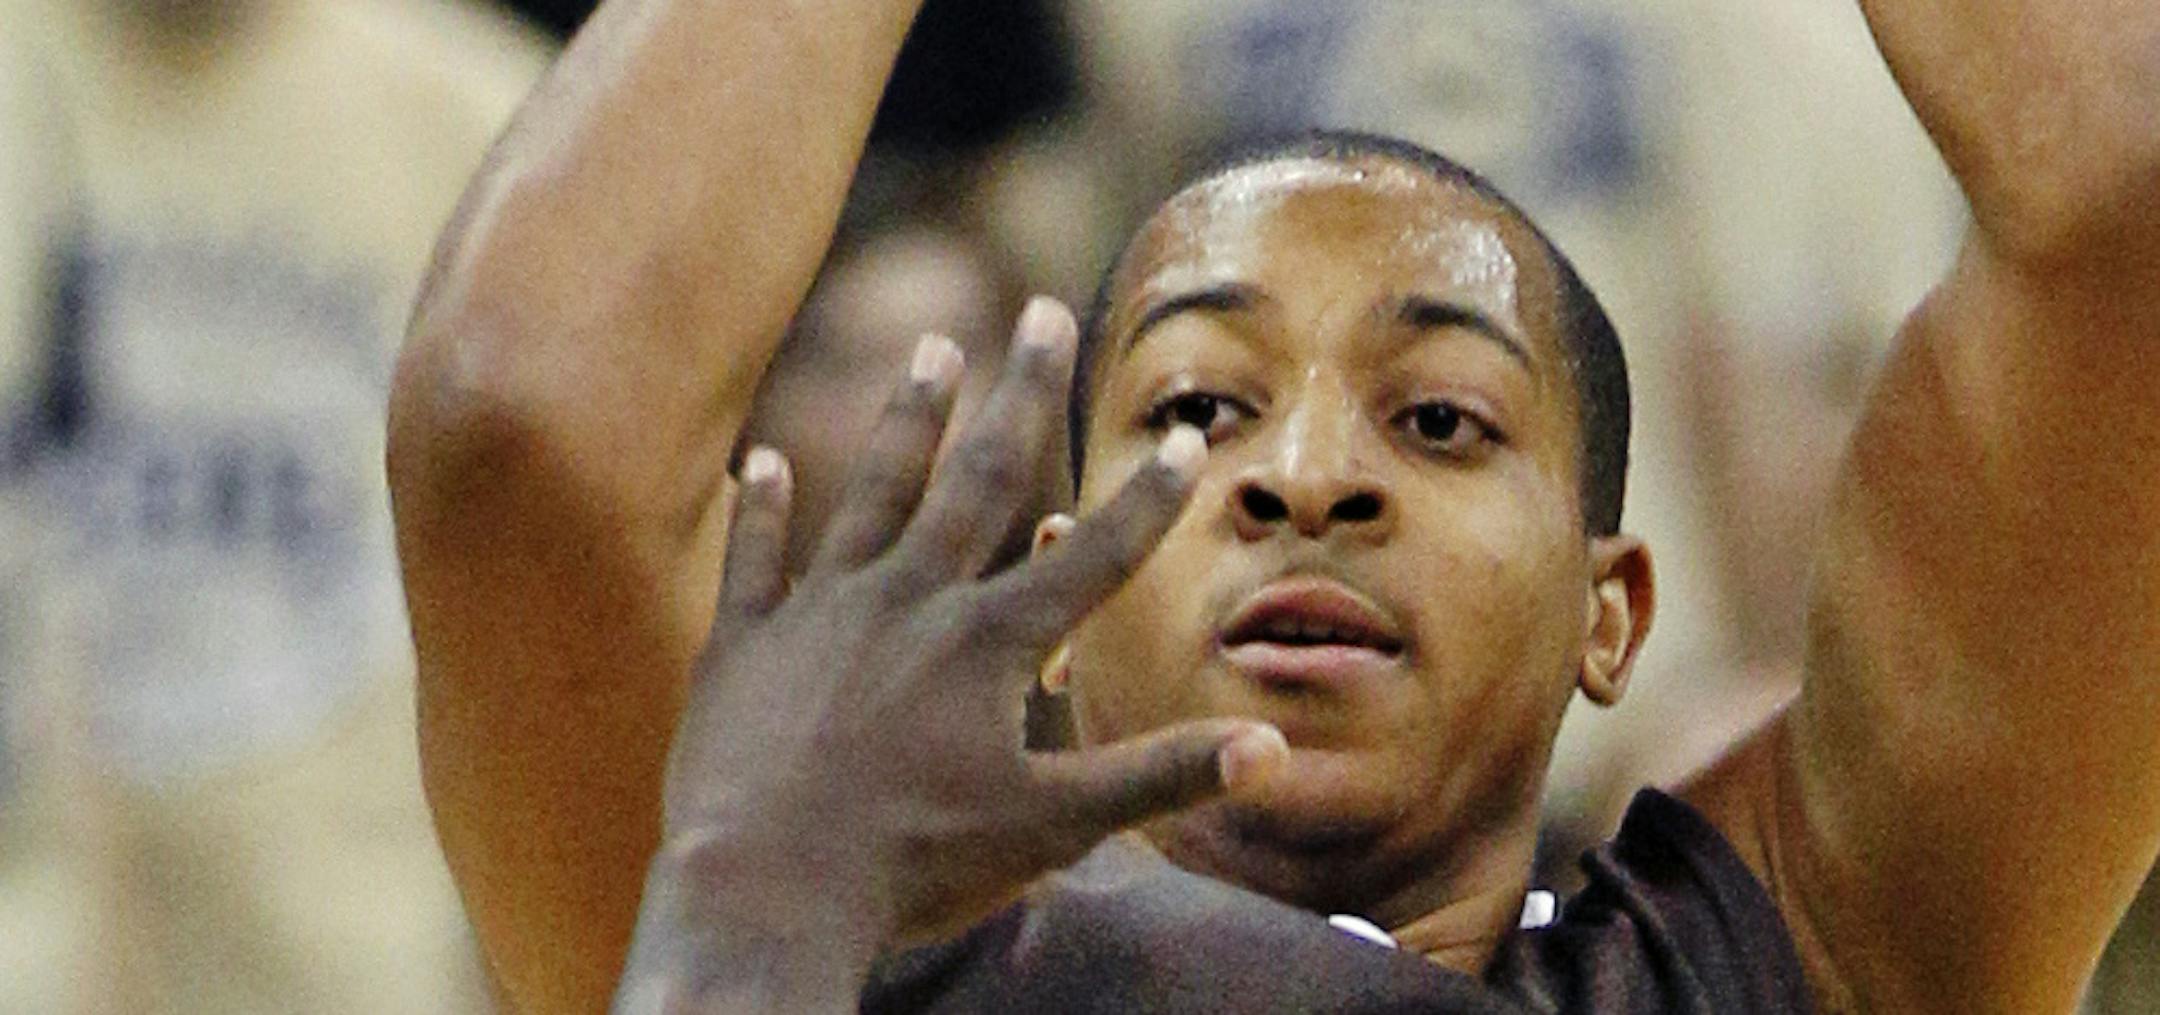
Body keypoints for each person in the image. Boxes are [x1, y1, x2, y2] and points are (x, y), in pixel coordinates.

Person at [388, 0, 2160, 1011]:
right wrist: (740, 896)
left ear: (1611, 609)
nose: (1307, 478)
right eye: (1198, 409)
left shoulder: (1770, 961)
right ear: (1061, 598)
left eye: (1442, 420)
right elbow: (519, 427)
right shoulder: (818, 921)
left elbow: (2127, 209)